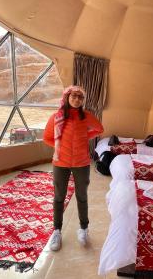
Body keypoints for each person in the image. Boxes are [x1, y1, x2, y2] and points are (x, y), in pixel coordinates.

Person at [43, 85, 104, 251]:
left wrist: (86, 137)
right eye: (74, 96)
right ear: (67, 97)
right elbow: (47, 137)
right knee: (59, 197)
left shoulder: (87, 117)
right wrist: (59, 146)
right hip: (60, 162)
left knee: (82, 196)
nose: (77, 99)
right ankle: (57, 231)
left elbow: (100, 129)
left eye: (80, 97)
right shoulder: (56, 116)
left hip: (82, 162)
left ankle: (83, 229)